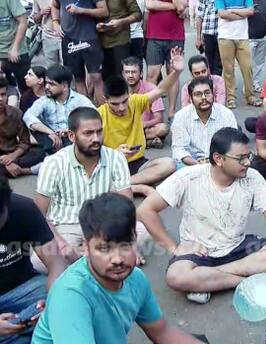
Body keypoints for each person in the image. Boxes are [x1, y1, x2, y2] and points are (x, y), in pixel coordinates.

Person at [28, 193, 255, 344]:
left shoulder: (135, 279)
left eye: (125, 245)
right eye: (103, 248)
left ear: (136, 241)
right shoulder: (71, 294)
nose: (117, 258)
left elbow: (162, 331)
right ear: (86, 248)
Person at [138, 128, 266, 303]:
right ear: (218, 159)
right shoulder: (189, 177)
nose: (247, 163)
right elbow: (146, 210)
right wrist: (174, 248)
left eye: (248, 156)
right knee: (177, 276)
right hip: (200, 252)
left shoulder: (253, 178)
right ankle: (246, 282)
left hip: (237, 246)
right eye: (240, 158)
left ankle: (210, 281)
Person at [33, 107, 150, 268]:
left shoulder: (115, 158)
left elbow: (126, 206)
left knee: (142, 232)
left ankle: (87, 259)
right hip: (67, 227)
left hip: (106, 223)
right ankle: (103, 258)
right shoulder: (54, 163)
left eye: (99, 132)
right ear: (72, 136)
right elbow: (39, 212)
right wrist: (61, 244)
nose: (96, 138)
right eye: (88, 133)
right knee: (38, 262)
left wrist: (131, 243)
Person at [0, 176, 65, 344]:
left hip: (21, 288)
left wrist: (53, 302)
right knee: (61, 325)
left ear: (6, 202)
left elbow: (56, 265)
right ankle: (38, 336)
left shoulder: (24, 208)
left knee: (74, 299)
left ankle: (29, 331)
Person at [100, 48, 181, 196]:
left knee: (169, 164)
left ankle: (124, 185)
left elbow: (160, 89)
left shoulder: (135, 101)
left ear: (128, 95)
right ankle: (136, 185)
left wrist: (176, 72)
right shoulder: (99, 115)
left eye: (124, 101)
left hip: (138, 163)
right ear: (106, 100)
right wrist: (113, 154)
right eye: (115, 104)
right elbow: (90, 152)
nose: (122, 107)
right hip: (112, 165)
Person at [23, 65, 95, 155]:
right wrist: (50, 132)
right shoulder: (44, 100)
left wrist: (70, 130)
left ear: (64, 87)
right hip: (52, 141)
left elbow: (94, 117)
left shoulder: (80, 100)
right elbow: (28, 116)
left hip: (74, 139)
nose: (46, 87)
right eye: (47, 83)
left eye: (52, 84)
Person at [172, 77, 239, 166]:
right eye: (198, 94)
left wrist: (217, 162)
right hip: (191, 164)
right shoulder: (181, 116)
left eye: (207, 93)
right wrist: (195, 164)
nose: (203, 97)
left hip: (220, 163)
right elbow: (179, 149)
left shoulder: (226, 114)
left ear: (213, 95)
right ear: (191, 99)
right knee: (171, 165)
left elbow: (233, 144)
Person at [51, 0, 107, 102]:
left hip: (90, 37)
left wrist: (81, 10)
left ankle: (104, 113)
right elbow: (54, 5)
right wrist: (55, 22)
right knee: (77, 78)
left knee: (96, 77)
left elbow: (104, 11)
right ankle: (86, 113)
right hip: (69, 39)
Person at [216, 0, 262, 109]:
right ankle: (230, 98)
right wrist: (242, 14)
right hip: (225, 36)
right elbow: (222, 14)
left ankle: (250, 96)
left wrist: (231, 11)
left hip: (242, 37)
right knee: (228, 69)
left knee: (248, 67)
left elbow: (250, 12)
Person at [145, 0, 185, 119]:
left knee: (173, 73)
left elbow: (182, 7)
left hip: (176, 35)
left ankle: (171, 112)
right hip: (154, 36)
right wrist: (174, 6)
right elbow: (150, 4)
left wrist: (174, 6)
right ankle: (148, 111)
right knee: (152, 75)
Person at [121, 56, 170, 148]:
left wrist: (142, 125)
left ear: (141, 74)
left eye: (134, 72)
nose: (130, 75)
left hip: (145, 127)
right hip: (126, 128)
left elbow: (158, 119)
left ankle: (135, 141)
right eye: (127, 72)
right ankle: (147, 141)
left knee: (163, 128)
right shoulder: (118, 90)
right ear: (123, 74)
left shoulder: (152, 89)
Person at [0, 78, 43, 179]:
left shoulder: (16, 113)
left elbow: (25, 142)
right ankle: (13, 169)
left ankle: (8, 169)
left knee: (39, 153)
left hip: (13, 154)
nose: (1, 99)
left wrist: (12, 157)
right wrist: (6, 162)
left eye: (3, 94)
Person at [96, 0, 142, 78]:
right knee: (105, 78)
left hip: (121, 40)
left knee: (122, 77)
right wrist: (97, 25)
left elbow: (138, 14)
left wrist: (121, 21)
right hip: (101, 42)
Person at [0, 0, 29, 93]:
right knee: (4, 88)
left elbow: (23, 22)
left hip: (16, 50)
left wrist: (15, 47)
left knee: (25, 86)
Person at [195, 0, 223, 76]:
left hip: (222, 33)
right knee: (209, 62)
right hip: (208, 32)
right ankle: (210, 82)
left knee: (220, 62)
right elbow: (199, 16)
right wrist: (198, 38)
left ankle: (217, 83)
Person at [247, 0, 266, 94]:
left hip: (262, 36)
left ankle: (256, 83)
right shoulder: (248, 1)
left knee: (259, 63)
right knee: (248, 64)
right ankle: (247, 85)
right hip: (249, 37)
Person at [31, 0, 62, 68]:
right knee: (51, 68)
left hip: (65, 36)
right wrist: (41, 13)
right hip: (48, 37)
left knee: (68, 67)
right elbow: (35, 20)